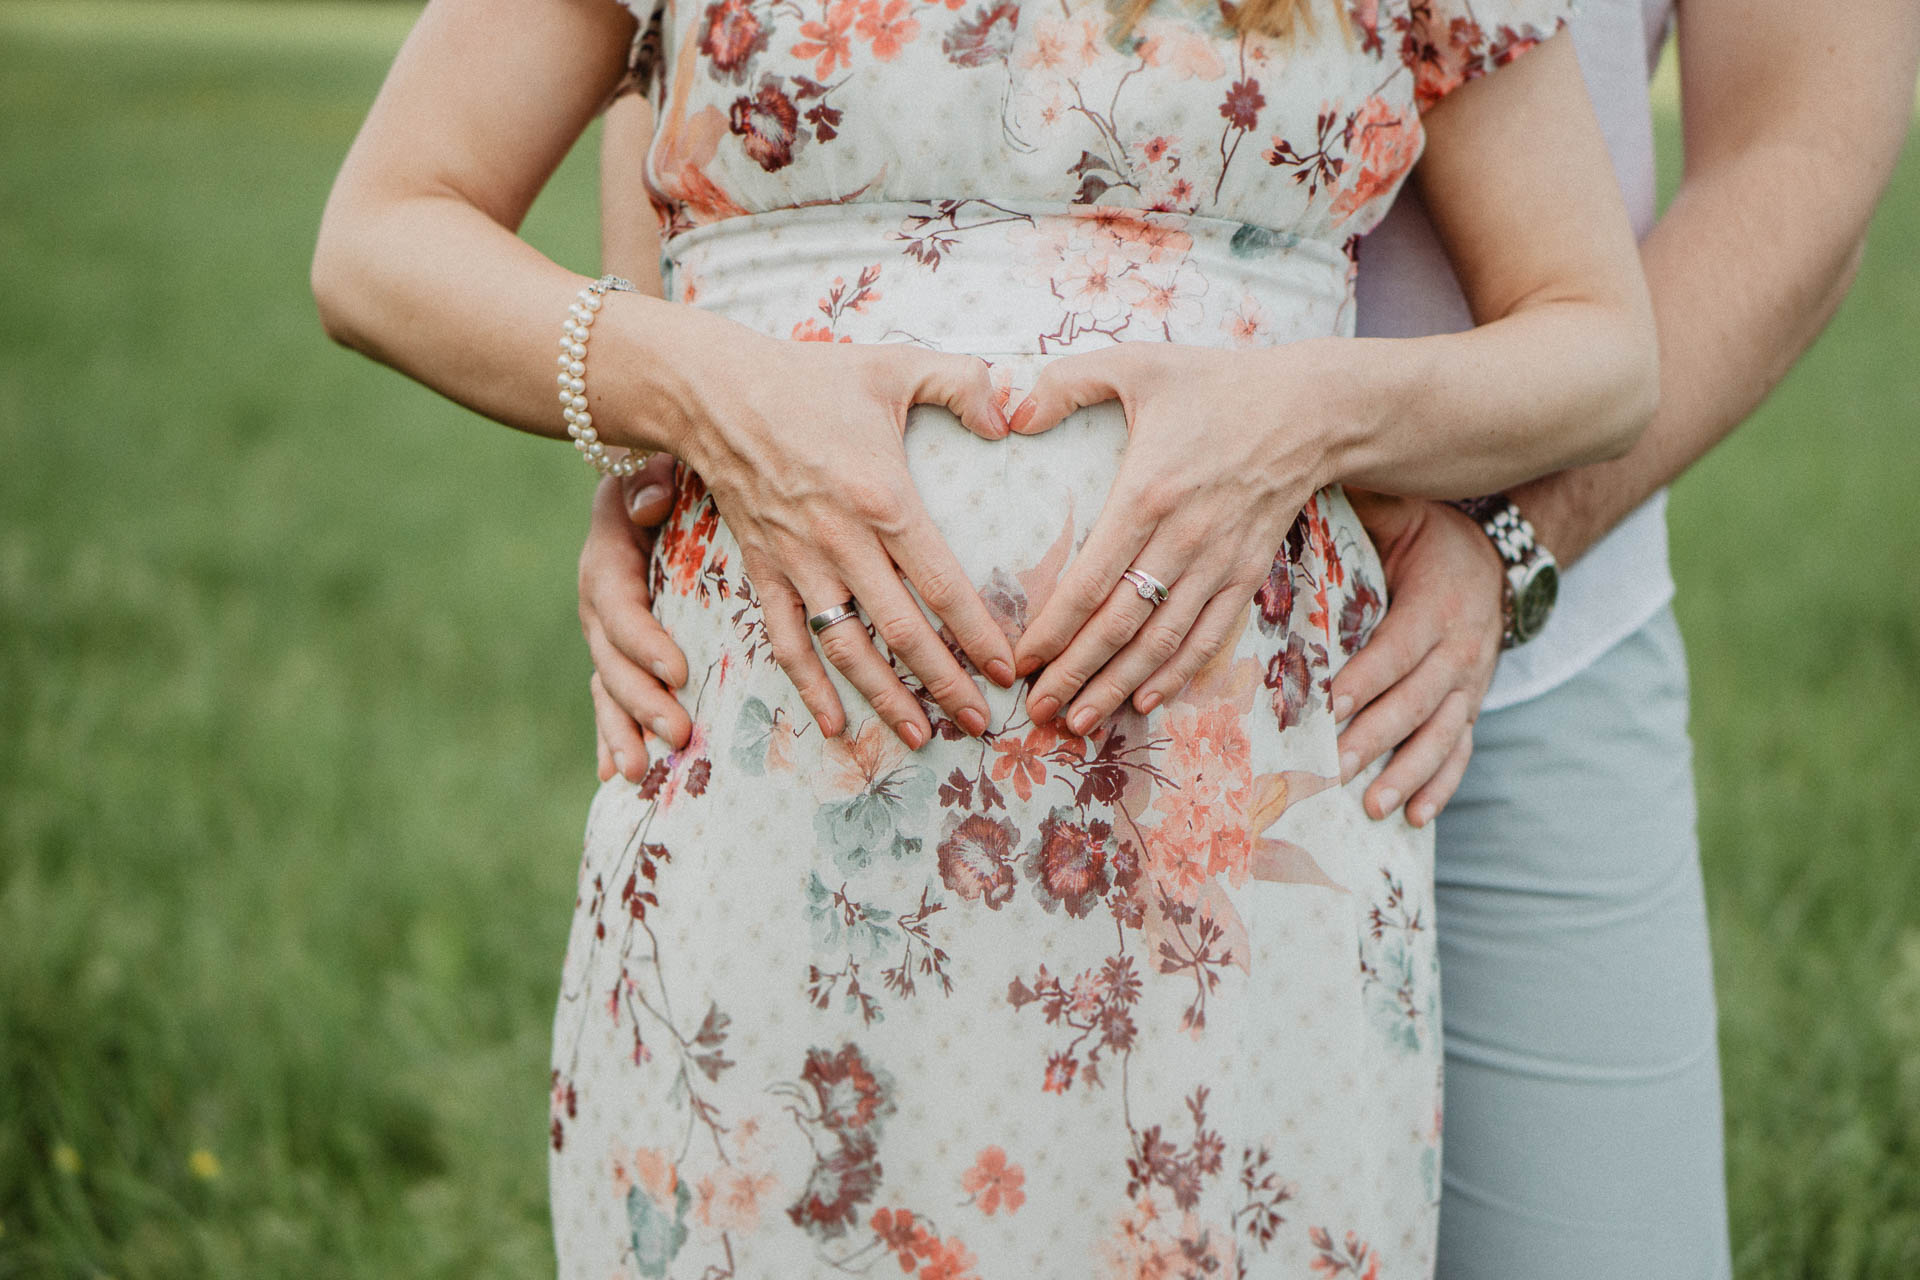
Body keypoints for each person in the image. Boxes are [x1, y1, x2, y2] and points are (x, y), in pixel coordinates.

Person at [312, 0, 1660, 1273]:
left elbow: (1599, 345)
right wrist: (693, 390)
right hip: (776, 812)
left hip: (1234, 849)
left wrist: (1307, 415)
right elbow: (383, 236)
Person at [576, 1, 1920, 1276]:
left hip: (1457, 646)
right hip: (852, 711)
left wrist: (1511, 538)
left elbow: (1801, 148)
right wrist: (675, 443)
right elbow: (687, 93)